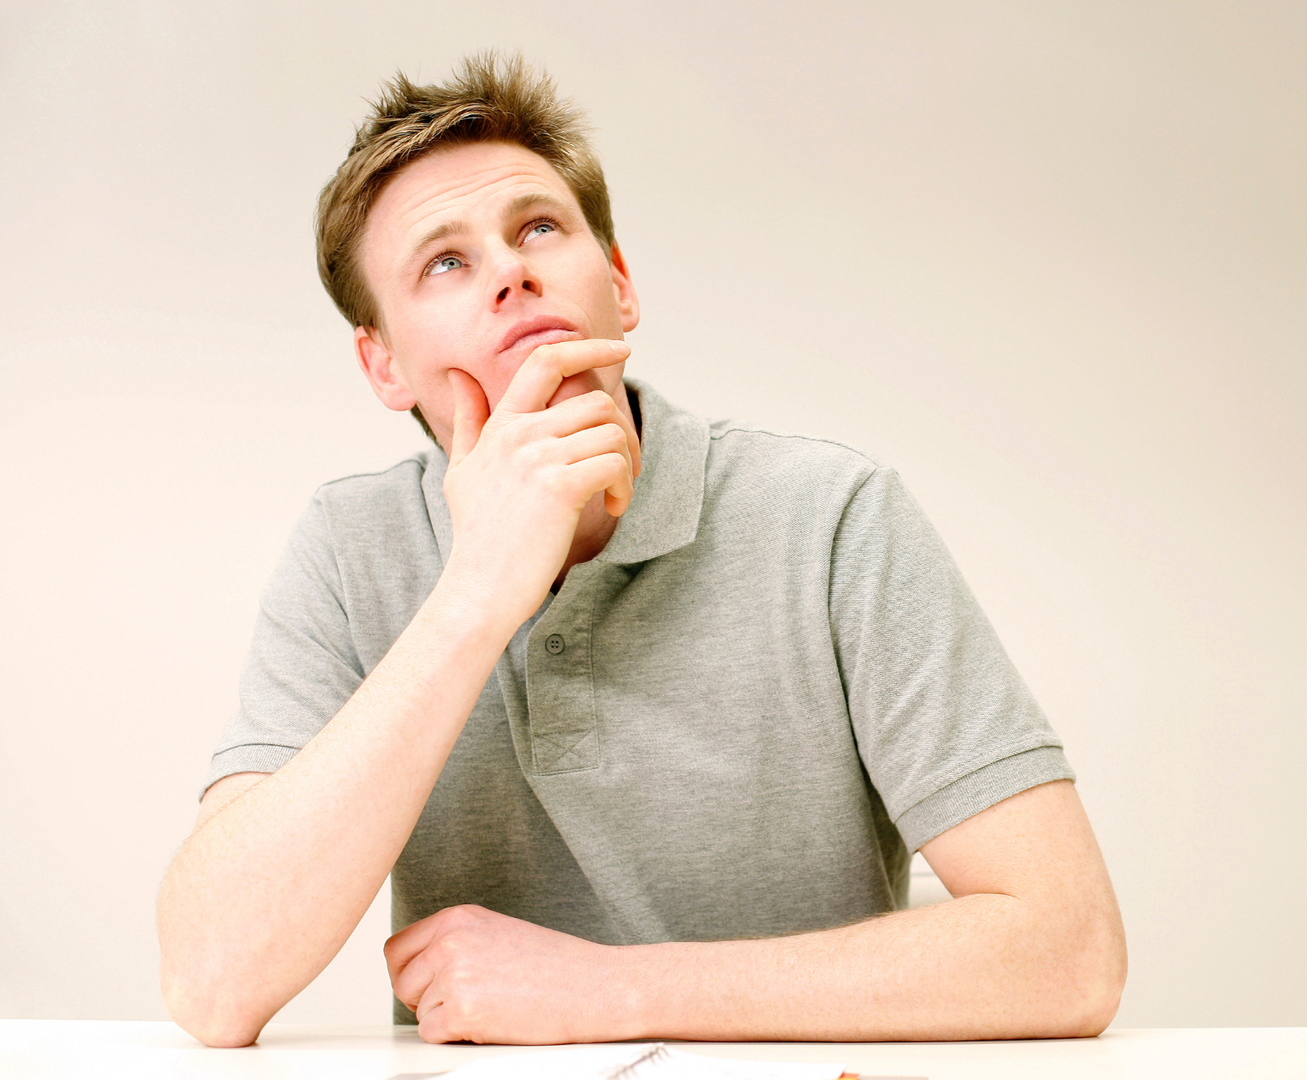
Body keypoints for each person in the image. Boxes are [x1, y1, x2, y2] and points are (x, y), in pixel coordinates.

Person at [155, 53, 1125, 1048]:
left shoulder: (834, 516)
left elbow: (1070, 950)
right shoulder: (349, 548)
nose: (511, 271)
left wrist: (609, 992)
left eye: (539, 227)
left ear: (618, 286)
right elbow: (211, 982)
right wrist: (477, 591)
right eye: (445, 262)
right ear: (382, 363)